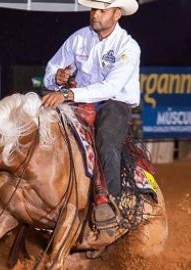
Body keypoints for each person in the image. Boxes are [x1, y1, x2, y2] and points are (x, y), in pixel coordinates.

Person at [42, 0, 141, 227]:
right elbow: (51, 69)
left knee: (105, 139)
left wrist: (67, 95)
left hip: (114, 103)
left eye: (101, 10)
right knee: (43, 123)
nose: (95, 14)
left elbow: (110, 88)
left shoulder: (128, 47)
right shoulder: (78, 38)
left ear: (116, 14)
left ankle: (111, 204)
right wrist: (56, 77)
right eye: (93, 9)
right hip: (78, 98)